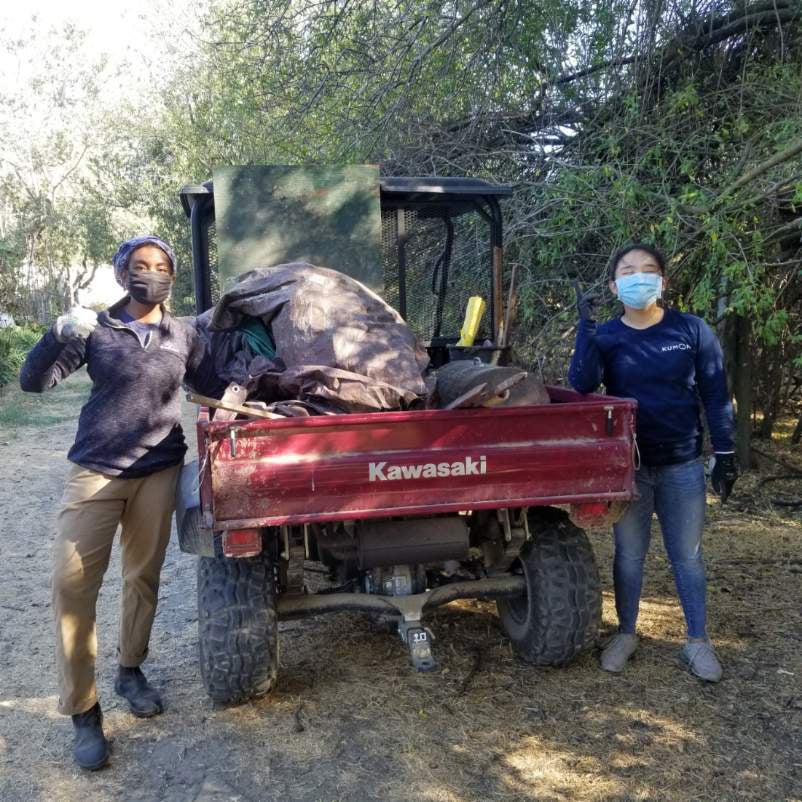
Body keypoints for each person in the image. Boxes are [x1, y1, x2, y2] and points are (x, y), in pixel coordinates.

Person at [21, 236, 206, 770]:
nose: (154, 274)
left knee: (142, 577)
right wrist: (55, 334)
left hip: (159, 470)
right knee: (71, 584)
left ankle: (130, 670)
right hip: (96, 472)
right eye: (142, 265)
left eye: (163, 266)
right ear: (123, 272)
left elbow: (216, 384)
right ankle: (84, 710)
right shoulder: (97, 330)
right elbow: (34, 383)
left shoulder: (184, 333)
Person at [568, 243, 738, 682]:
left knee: (688, 557)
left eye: (648, 270)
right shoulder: (606, 335)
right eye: (628, 270)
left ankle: (697, 642)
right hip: (632, 467)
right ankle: (626, 634)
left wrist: (725, 453)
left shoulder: (692, 330)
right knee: (629, 555)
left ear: (662, 280)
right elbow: (582, 384)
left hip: (683, 465)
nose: (638, 276)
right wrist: (585, 330)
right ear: (614, 285)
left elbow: (716, 395)